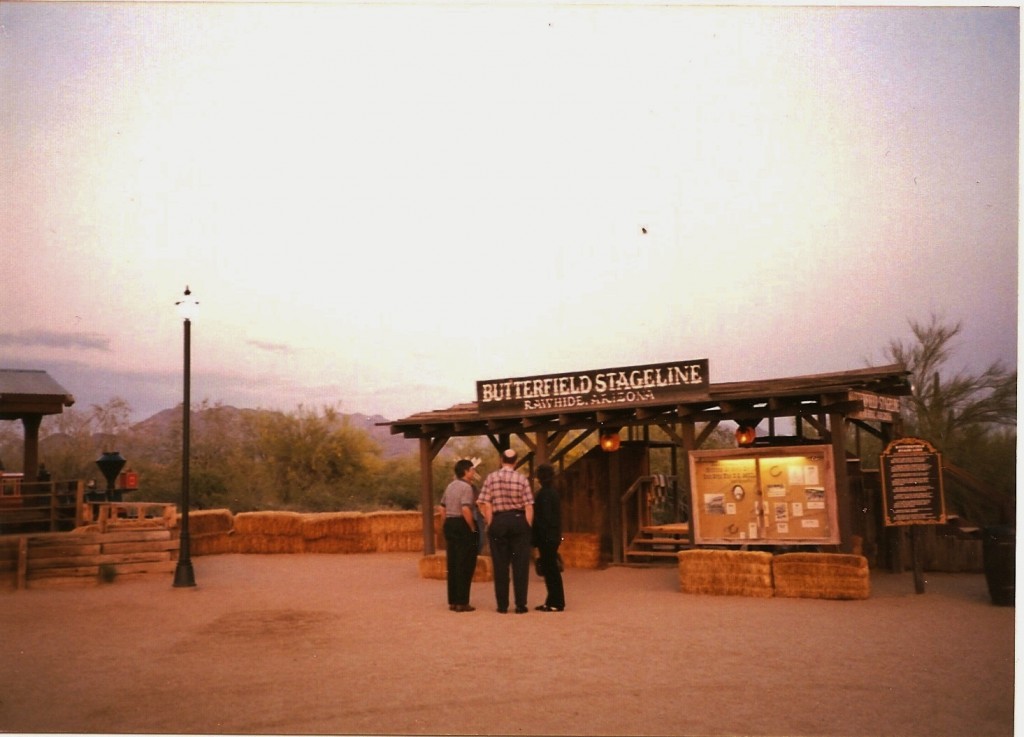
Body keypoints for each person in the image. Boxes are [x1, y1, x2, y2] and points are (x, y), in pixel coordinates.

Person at [477, 448, 534, 613]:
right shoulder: (522, 479)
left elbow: (484, 502)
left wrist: (490, 521)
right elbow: (529, 505)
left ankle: (502, 605)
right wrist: (527, 525)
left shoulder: (491, 478)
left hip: (499, 520)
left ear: (501, 459)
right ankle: (521, 605)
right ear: (516, 461)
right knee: (520, 565)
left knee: (500, 565)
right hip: (518, 520)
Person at [438, 459, 479, 612]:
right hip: (462, 524)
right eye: (472, 470)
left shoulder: (450, 486)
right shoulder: (467, 488)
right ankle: (462, 601)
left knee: (453, 562)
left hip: (450, 522)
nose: (473, 473)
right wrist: (472, 527)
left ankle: (453, 600)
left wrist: (446, 521)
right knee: (465, 563)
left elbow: (441, 507)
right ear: (466, 471)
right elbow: (466, 509)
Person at [532, 463, 565, 612]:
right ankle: (552, 600)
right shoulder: (553, 493)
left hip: (546, 536)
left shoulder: (544, 494)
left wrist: (536, 536)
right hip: (553, 535)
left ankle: (556, 602)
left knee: (550, 569)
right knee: (551, 568)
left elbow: (543, 518)